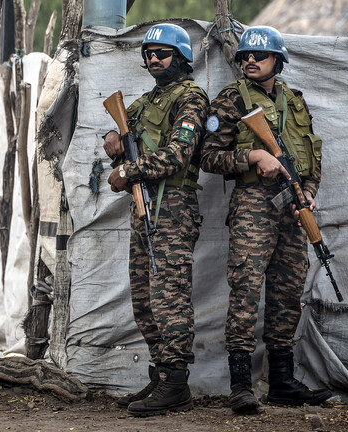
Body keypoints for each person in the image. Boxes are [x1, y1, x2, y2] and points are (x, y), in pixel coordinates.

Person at [200, 26, 332, 414]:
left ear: (279, 60)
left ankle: (282, 382)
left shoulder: (295, 101)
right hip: (253, 206)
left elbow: (313, 155)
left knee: (288, 293)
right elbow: (208, 157)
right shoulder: (230, 101)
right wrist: (253, 158)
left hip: (293, 209)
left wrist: (307, 193)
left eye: (259, 56)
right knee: (245, 290)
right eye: (245, 57)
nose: (250, 61)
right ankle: (240, 384)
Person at [103, 23, 209, 417]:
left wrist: (128, 172)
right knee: (145, 300)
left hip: (174, 205)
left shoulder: (191, 98)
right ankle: (161, 374)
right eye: (148, 54)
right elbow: (119, 133)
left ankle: (176, 383)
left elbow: (179, 154)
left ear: (181, 57)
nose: (153, 60)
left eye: (161, 53)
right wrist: (111, 138)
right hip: (144, 204)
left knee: (170, 298)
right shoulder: (149, 100)